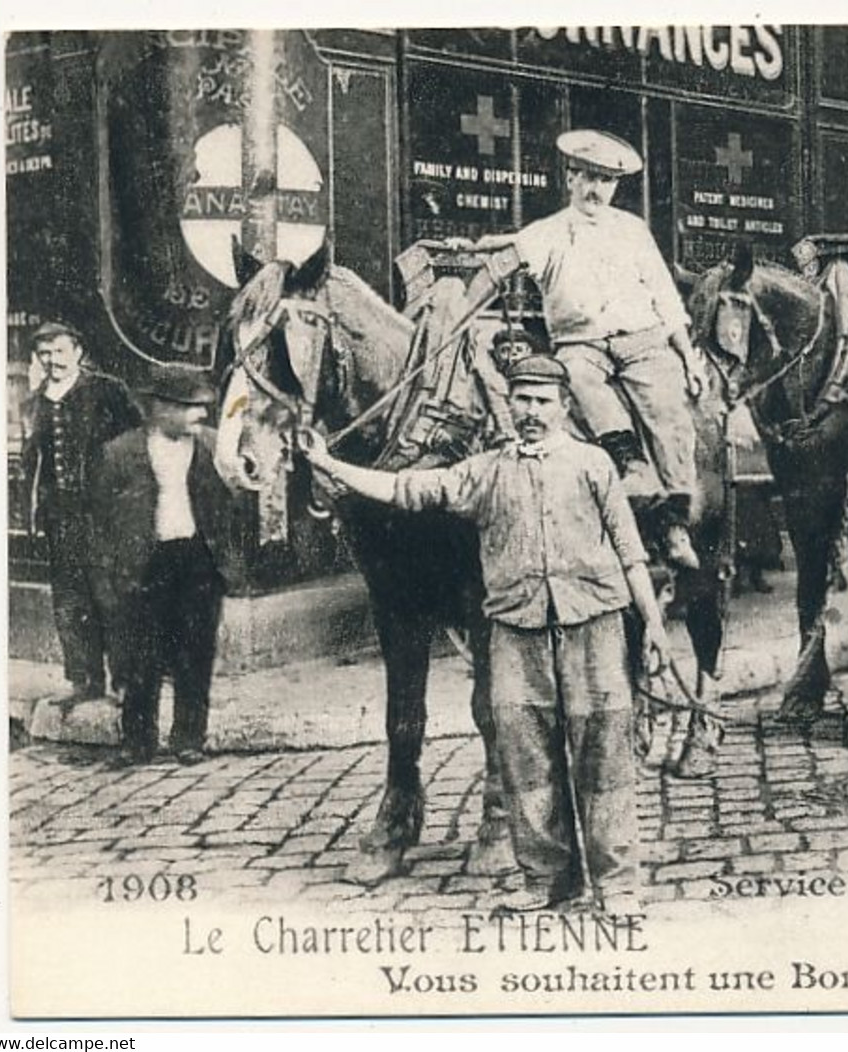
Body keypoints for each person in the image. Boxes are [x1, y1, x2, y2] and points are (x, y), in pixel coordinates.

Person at [302, 354, 670, 915]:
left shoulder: (593, 466)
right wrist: (329, 465)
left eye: (543, 401)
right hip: (516, 632)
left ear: (564, 407)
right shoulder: (488, 471)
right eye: (521, 400)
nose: (531, 412)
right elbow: (408, 488)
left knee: (603, 759)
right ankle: (546, 881)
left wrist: (656, 629)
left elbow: (630, 553)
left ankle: (617, 886)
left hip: (591, 626)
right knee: (527, 761)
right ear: (509, 405)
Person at [459, 129, 704, 570]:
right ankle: (632, 467)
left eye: (606, 180)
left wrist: (687, 357)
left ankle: (674, 524)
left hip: (643, 340)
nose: (595, 189)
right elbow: (504, 257)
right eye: (587, 177)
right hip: (581, 346)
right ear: (569, 178)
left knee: (670, 409)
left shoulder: (633, 230)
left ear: (615, 186)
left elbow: (667, 300)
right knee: (578, 381)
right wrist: (470, 262)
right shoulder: (547, 233)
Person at [89, 364, 241, 766]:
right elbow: (100, 521)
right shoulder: (120, 452)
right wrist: (109, 578)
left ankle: (189, 738)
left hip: (197, 561)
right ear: (160, 408)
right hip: (145, 565)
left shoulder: (212, 447)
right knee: (141, 656)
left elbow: (235, 503)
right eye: (192, 408)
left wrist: (225, 558)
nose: (202, 416)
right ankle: (137, 742)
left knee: (196, 652)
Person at [20, 320, 140, 705]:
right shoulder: (36, 402)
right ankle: (84, 681)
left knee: (110, 596)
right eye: (45, 354)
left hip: (103, 515)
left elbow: (136, 445)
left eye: (59, 351)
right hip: (60, 518)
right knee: (70, 600)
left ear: (78, 352)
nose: (52, 360)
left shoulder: (107, 391)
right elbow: (33, 462)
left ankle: (124, 682)